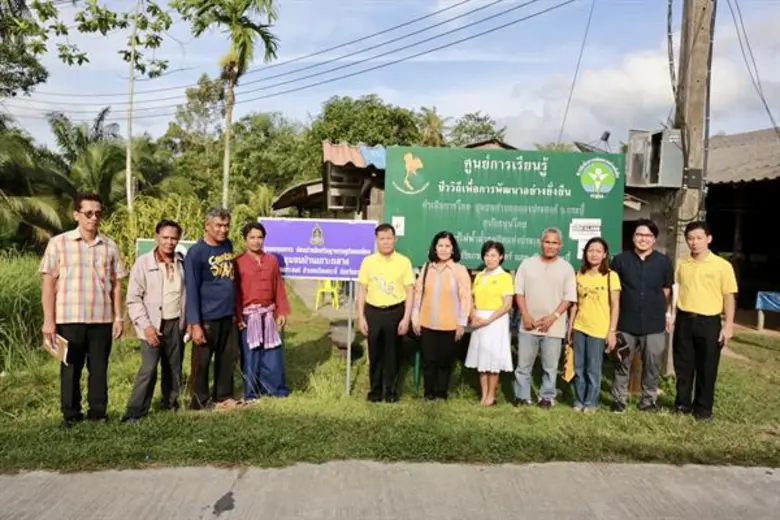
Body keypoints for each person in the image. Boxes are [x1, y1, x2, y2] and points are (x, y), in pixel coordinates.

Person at [40, 193, 126, 428]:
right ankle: (71, 414)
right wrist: (49, 321)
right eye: (88, 213)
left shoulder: (109, 245)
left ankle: (98, 413)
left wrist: (118, 317)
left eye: (98, 213)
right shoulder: (59, 243)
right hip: (69, 317)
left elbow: (117, 284)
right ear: (76, 215)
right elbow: (48, 284)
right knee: (70, 368)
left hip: (101, 318)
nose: (93, 218)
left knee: (99, 369)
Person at [122, 219, 187, 423]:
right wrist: (146, 326)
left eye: (174, 238)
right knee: (148, 369)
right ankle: (135, 411)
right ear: (156, 237)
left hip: (175, 323)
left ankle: (170, 403)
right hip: (151, 325)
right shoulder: (143, 263)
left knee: (173, 367)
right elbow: (133, 299)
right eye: (165, 237)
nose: (169, 242)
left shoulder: (181, 263)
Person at [673, 220, 738, 421]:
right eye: (690, 239)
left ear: (708, 239)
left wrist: (728, 326)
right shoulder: (681, 262)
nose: (695, 243)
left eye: (699, 238)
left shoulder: (722, 266)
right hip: (685, 319)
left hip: (709, 322)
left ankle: (703, 409)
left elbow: (729, 296)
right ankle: (682, 404)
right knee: (683, 366)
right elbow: (675, 289)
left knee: (707, 367)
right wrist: (671, 316)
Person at [609, 219, 674, 413]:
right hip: (625, 321)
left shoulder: (663, 261)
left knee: (652, 365)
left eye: (647, 236)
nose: (642, 239)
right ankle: (619, 400)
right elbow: (614, 291)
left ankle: (648, 401)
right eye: (639, 235)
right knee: (622, 362)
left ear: (654, 239)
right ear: (633, 237)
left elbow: (666, 289)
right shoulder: (620, 260)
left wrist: (664, 312)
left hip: (654, 324)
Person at [513, 227, 577, 409]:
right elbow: (519, 292)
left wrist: (553, 317)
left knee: (550, 367)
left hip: (554, 327)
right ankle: (521, 396)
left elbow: (569, 298)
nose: (550, 246)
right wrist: (525, 314)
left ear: (560, 245)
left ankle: (546, 397)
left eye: (554, 242)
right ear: (541, 243)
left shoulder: (567, 268)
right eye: (547, 242)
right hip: (528, 323)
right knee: (523, 365)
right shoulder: (527, 264)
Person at [185, 207, 239, 410]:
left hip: (227, 315)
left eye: (226, 226)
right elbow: (191, 289)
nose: (223, 230)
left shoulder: (227, 245)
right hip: (206, 317)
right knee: (202, 362)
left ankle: (224, 395)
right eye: (218, 225)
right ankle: (199, 401)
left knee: (227, 359)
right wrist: (195, 324)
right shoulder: (196, 253)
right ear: (207, 226)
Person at [357, 223, 414, 403]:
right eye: (382, 239)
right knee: (375, 354)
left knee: (392, 354)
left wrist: (406, 318)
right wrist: (361, 317)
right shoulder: (368, 262)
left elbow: (410, 291)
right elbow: (362, 290)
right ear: (377, 241)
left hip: (395, 312)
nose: (386, 242)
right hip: (373, 312)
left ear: (394, 239)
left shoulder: (404, 262)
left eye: (389, 238)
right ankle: (375, 391)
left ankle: (390, 391)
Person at [412, 231, 472, 401]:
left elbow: (465, 298)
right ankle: (428, 392)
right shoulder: (426, 268)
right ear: (434, 248)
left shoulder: (459, 270)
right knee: (429, 360)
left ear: (453, 249)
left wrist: (461, 323)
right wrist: (415, 318)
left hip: (450, 324)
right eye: (440, 246)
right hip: (427, 322)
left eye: (447, 246)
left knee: (445, 362)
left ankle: (441, 392)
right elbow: (418, 295)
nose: (444, 249)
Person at [235, 222, 291, 400]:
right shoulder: (238, 263)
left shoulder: (272, 261)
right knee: (251, 355)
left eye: (259, 237)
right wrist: (237, 316)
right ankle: (251, 392)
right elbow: (235, 292)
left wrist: (281, 311)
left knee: (271, 353)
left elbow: (278, 287)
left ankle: (274, 389)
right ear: (245, 240)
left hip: (268, 315)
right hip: (248, 315)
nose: (256, 241)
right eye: (252, 237)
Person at [567, 237, 621, 413]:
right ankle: (579, 400)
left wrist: (611, 331)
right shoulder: (579, 274)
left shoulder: (611, 276)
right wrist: (570, 328)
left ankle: (592, 402)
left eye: (598, 251)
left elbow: (615, 305)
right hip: (580, 326)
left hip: (599, 329)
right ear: (585, 253)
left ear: (604, 254)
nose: (594, 254)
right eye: (591, 250)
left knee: (593, 368)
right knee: (578, 366)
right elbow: (575, 304)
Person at [464, 241, 514, 406]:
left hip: (496, 321)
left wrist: (489, 319)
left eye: (493, 255)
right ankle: (483, 394)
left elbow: (507, 304)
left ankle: (491, 395)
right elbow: (471, 298)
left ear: (500, 257)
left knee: (493, 359)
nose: (490, 259)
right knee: (482, 359)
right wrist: (473, 315)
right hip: (479, 320)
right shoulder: (479, 276)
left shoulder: (505, 277)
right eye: (487, 255)